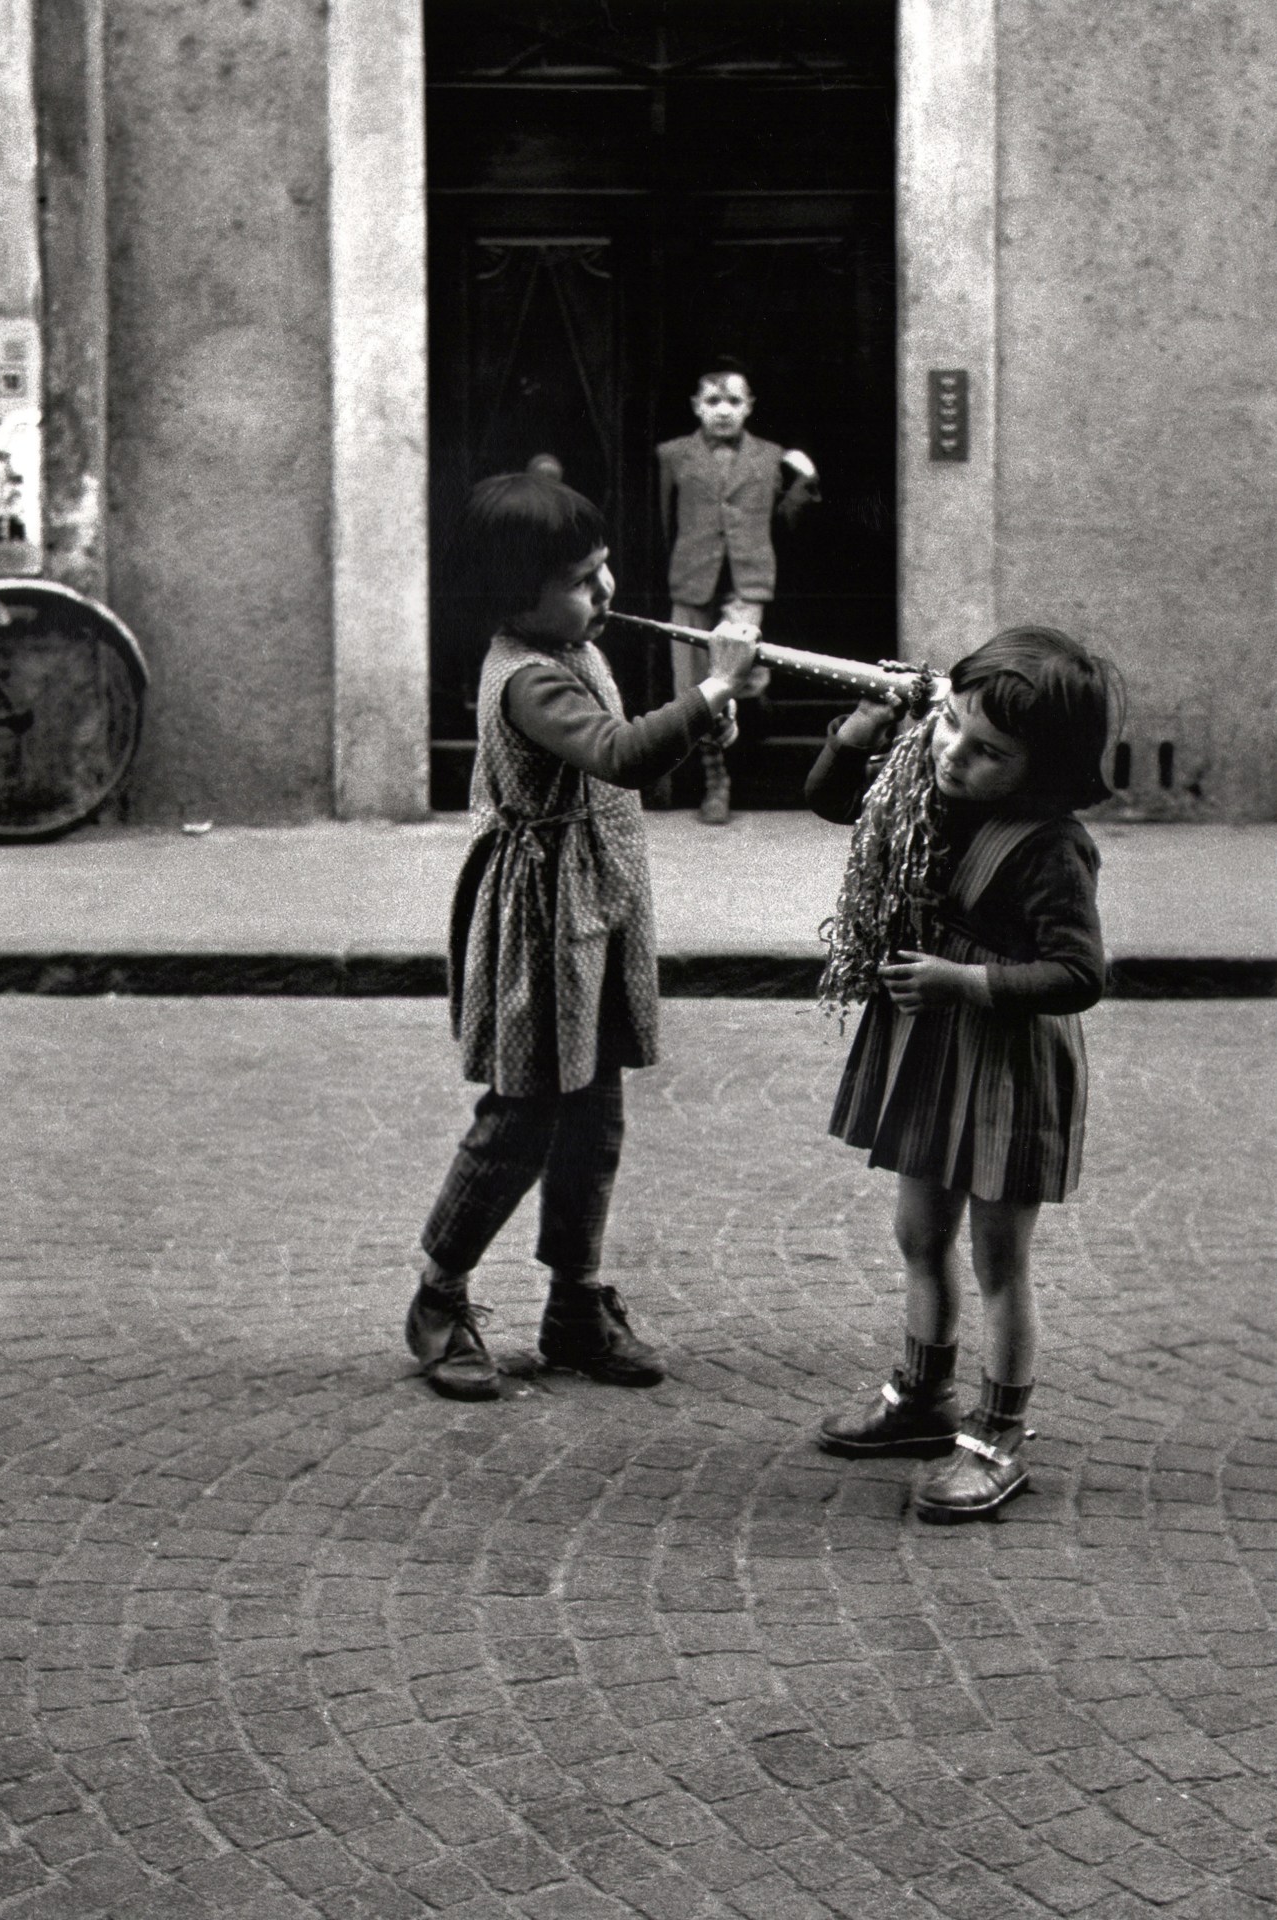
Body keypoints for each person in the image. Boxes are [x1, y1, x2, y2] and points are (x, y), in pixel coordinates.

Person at [407, 472, 764, 1400]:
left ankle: (574, 1304)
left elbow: (634, 744)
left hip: (593, 911)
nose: (605, 594)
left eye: (605, 571)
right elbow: (615, 752)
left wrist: (709, 704)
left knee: (594, 1118)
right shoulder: (526, 676)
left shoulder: (571, 644)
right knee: (522, 1116)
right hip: (542, 922)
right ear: (513, 596)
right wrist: (715, 683)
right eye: (581, 580)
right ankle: (439, 1296)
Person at [808, 627, 1117, 1521]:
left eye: (988, 752)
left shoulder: (1052, 846)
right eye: (949, 724)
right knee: (918, 1231)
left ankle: (998, 1434)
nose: (953, 754)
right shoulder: (928, 786)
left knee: (998, 1260)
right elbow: (832, 801)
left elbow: (1079, 975)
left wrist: (962, 981)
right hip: (936, 1050)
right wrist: (861, 727)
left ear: (1043, 768)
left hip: (1005, 1062)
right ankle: (921, 1394)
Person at [656, 355, 819, 823]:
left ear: (749, 406)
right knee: (694, 682)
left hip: (746, 584)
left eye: (733, 400)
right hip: (692, 580)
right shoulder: (672, 455)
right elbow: (663, 520)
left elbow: (788, 522)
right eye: (713, 401)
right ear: (696, 406)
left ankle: (738, 766)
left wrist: (805, 479)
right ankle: (715, 781)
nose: (723, 410)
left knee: (738, 675)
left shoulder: (769, 457)